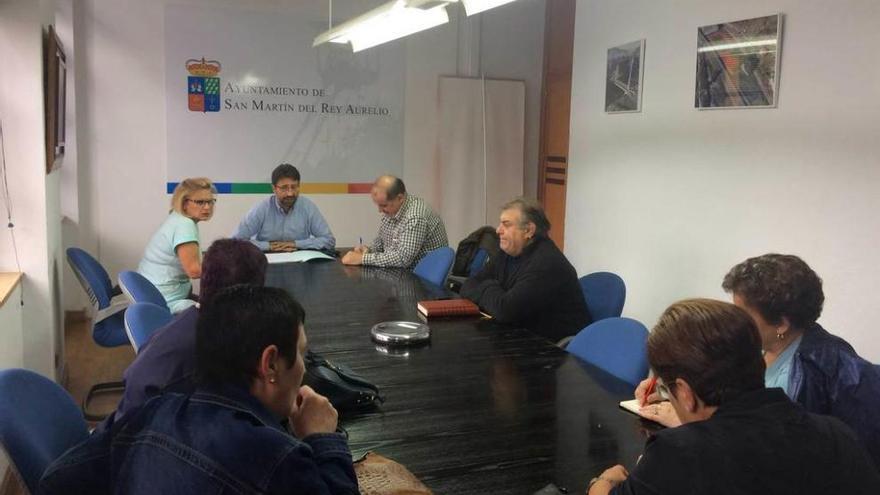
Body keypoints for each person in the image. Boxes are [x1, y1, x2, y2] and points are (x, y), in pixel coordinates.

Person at [40, 286, 358, 494]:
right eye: (302, 353)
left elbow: (58, 480)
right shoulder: (278, 459)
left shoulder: (153, 410)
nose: (304, 367)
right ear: (270, 364)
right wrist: (323, 439)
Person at [590, 298, 880, 495]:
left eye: (667, 389)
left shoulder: (678, 454)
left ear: (686, 394)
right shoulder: (837, 434)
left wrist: (603, 482)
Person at [635, 254, 880, 468]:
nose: (733, 319)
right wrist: (669, 391)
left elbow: (771, 453)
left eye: (742, 313)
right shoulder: (754, 345)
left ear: (781, 323)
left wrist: (690, 425)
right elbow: (721, 391)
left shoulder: (821, 370)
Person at [109, 238, 268, 426]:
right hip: (139, 439)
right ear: (251, 295)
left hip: (129, 423)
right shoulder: (216, 352)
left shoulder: (193, 319)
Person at [460, 198, 590, 342]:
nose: (498, 230)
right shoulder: (508, 252)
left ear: (528, 230)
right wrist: (494, 291)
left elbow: (505, 310)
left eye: (506, 225)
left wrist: (488, 286)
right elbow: (469, 285)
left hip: (552, 353)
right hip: (519, 336)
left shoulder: (547, 264)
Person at [138, 177, 215, 313]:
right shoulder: (184, 225)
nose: (207, 207)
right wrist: (228, 271)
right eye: (200, 202)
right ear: (184, 203)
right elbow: (194, 271)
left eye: (210, 201)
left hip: (152, 292)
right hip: (166, 300)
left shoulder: (178, 218)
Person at [341, 175, 447, 268]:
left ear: (400, 198)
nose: (379, 210)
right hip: (399, 274)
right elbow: (381, 243)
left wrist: (362, 259)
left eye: (383, 205)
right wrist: (367, 250)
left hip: (419, 281)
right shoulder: (392, 210)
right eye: (378, 205)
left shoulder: (415, 217)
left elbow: (402, 259)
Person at [232, 163, 335, 252]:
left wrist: (296, 244)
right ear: (273, 188)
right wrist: (268, 246)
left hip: (299, 262)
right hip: (266, 261)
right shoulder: (262, 208)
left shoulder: (307, 207)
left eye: (294, 187)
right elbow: (235, 242)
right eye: (284, 188)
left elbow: (329, 240)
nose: (290, 193)